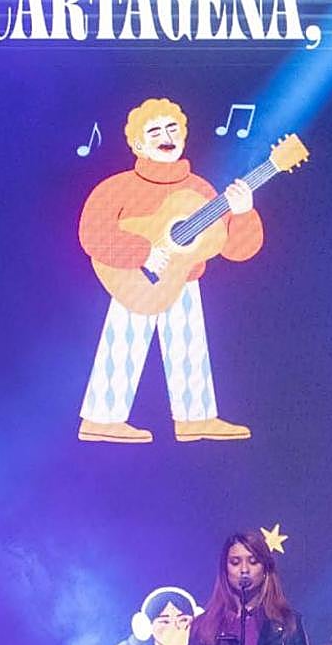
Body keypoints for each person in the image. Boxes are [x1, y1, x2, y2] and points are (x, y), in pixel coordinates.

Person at [76, 97, 257, 443]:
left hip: (183, 282)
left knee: (189, 346)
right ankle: (101, 419)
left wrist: (243, 212)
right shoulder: (117, 187)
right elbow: (93, 233)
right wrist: (141, 253)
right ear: (138, 144)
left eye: (172, 128)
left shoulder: (199, 190)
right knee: (122, 344)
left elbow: (236, 248)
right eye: (155, 131)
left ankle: (196, 418)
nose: (166, 137)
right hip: (131, 281)